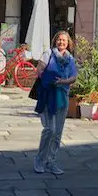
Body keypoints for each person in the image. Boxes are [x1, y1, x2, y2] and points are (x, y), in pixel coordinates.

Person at [34, 30, 78, 175]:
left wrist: (62, 82)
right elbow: (39, 70)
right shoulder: (48, 54)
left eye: (64, 40)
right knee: (49, 129)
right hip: (49, 95)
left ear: (68, 43)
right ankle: (40, 160)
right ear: (55, 41)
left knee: (57, 133)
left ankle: (51, 161)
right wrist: (49, 79)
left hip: (62, 96)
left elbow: (73, 77)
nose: (61, 42)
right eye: (59, 39)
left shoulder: (70, 58)